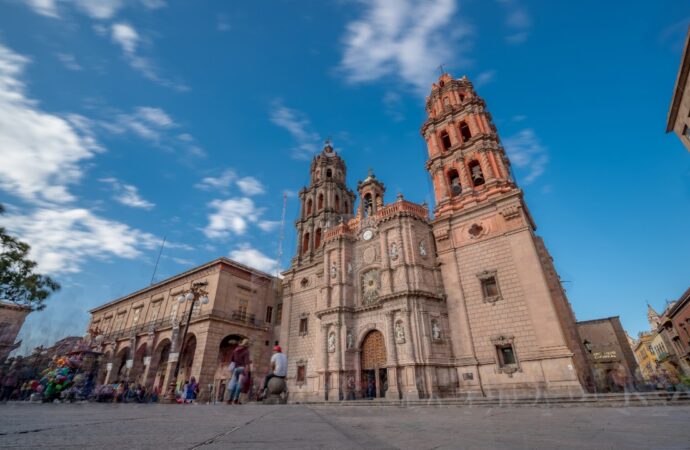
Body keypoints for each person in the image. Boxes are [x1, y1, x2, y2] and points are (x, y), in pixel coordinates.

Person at [226, 338, 250, 404]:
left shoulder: (236, 350)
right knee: (239, 384)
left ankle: (229, 399)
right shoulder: (246, 351)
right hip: (242, 368)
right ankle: (235, 399)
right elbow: (246, 362)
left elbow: (232, 359)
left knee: (233, 383)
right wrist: (247, 371)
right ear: (247, 344)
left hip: (236, 368)